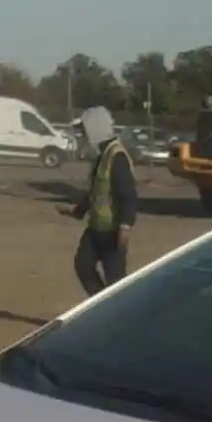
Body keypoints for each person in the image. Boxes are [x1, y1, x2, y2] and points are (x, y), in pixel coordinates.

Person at [59, 106, 138, 294]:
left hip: (112, 232)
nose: (83, 135)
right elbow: (95, 191)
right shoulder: (101, 156)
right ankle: (103, 309)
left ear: (95, 128)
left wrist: (125, 226)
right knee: (83, 266)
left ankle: (121, 317)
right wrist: (77, 211)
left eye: (84, 130)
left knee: (116, 284)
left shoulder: (116, 156)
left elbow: (128, 194)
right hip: (96, 229)